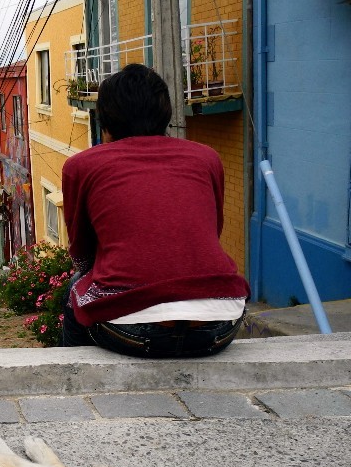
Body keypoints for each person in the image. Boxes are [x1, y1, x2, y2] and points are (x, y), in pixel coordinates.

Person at [60, 64, 249, 357]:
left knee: (73, 291)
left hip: (130, 333)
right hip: (218, 326)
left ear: (105, 122)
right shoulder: (206, 157)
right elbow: (212, 230)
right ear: (165, 114)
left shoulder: (81, 166)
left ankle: (71, 380)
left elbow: (82, 252)